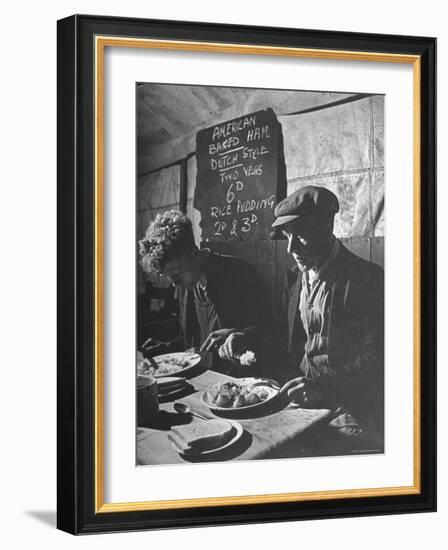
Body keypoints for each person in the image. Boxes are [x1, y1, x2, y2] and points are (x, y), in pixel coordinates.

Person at [273, 186, 384, 450]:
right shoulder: (295, 277)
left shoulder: (365, 278)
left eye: (300, 235)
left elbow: (377, 359)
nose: (290, 248)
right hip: (301, 399)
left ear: (327, 226)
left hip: (347, 404)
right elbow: (285, 340)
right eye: (287, 236)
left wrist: (323, 386)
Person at [138, 210, 267, 371]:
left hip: (238, 379)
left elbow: (271, 330)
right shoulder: (185, 287)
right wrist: (167, 348)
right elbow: (194, 345)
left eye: (176, 275)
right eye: (169, 278)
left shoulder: (240, 274)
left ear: (194, 253)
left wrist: (244, 335)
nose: (174, 284)